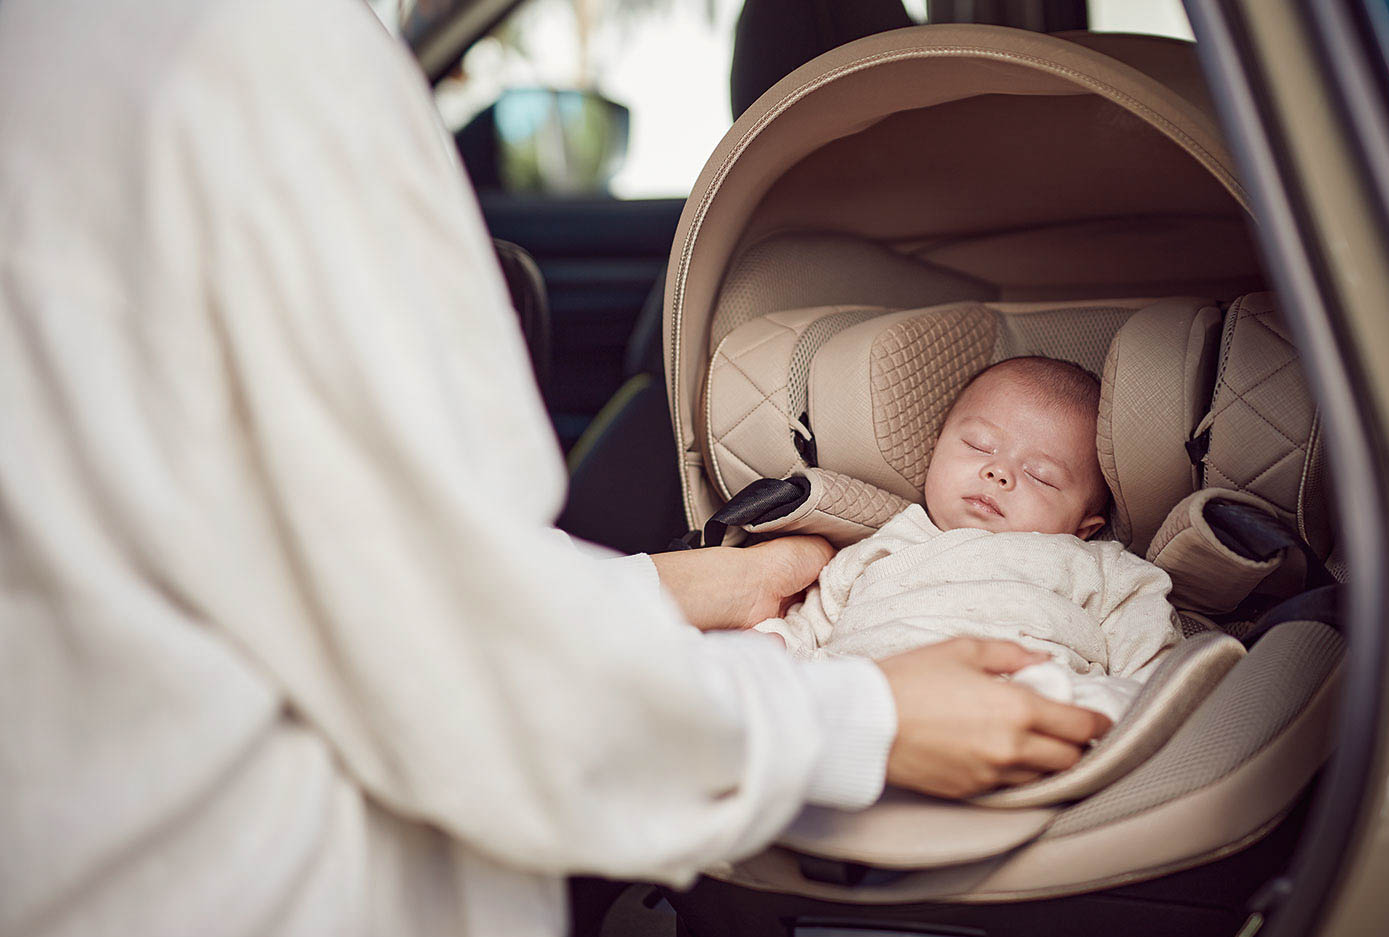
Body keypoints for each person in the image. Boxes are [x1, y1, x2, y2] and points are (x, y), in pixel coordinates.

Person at [0, 2, 1110, 935]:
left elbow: (324, 583)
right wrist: (859, 719)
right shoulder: (246, 64)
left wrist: (669, 590)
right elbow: (466, 665)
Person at [756, 357, 1181, 722]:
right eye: (979, 446)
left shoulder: (1096, 565)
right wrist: (781, 643)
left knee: (1099, 705)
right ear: (937, 448)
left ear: (1084, 527)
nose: (999, 473)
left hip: (1026, 695)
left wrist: (1136, 696)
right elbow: (817, 620)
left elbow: (1147, 649)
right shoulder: (889, 543)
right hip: (872, 698)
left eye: (1040, 476)